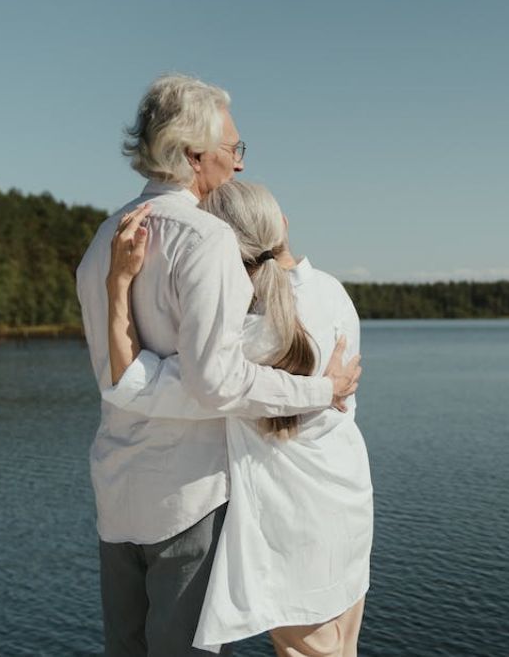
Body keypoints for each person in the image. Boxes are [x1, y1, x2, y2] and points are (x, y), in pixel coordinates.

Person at [75, 74, 361, 657]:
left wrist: (131, 383)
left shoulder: (104, 237)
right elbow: (218, 381)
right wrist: (319, 390)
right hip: (189, 494)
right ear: (190, 155)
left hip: (116, 488)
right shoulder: (207, 239)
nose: (236, 164)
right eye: (231, 149)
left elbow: (115, 376)